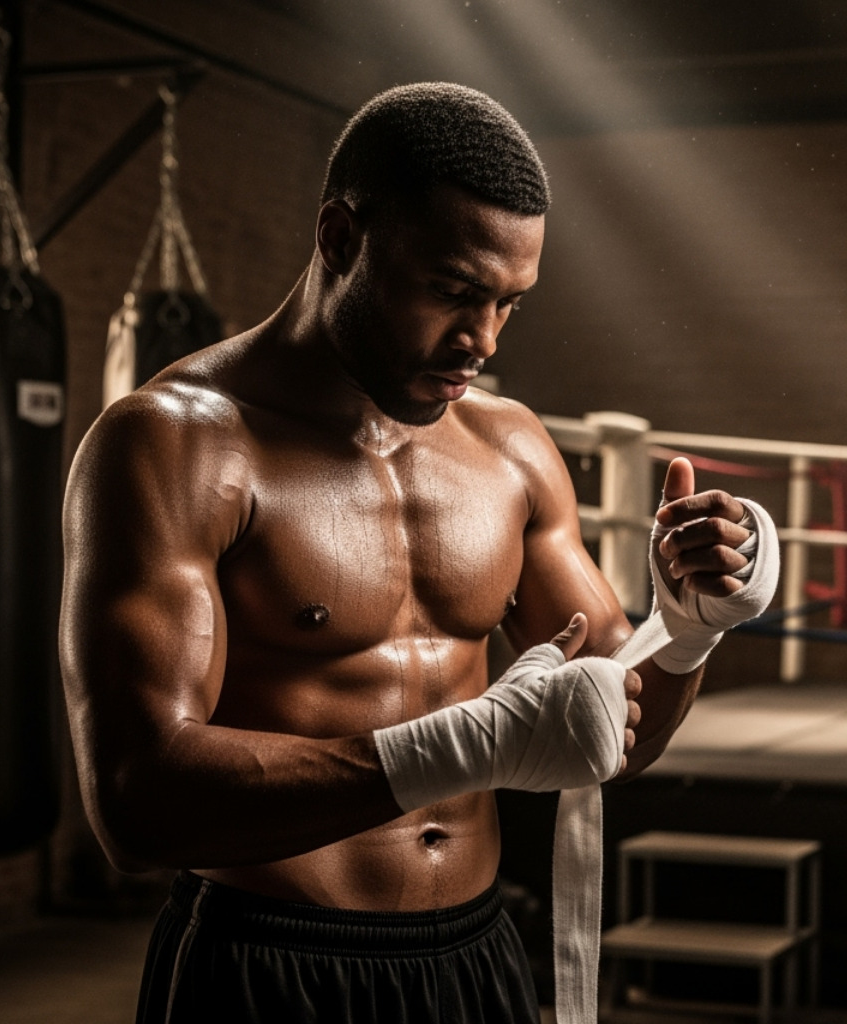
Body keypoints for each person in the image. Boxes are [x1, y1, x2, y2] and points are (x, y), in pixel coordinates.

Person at [60, 82, 775, 1024]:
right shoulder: (177, 445)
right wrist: (464, 745)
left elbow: (613, 735)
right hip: (270, 967)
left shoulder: (511, 448)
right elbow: (137, 805)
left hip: (474, 959)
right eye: (452, 291)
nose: (480, 339)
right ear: (340, 239)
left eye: (509, 304)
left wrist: (686, 627)